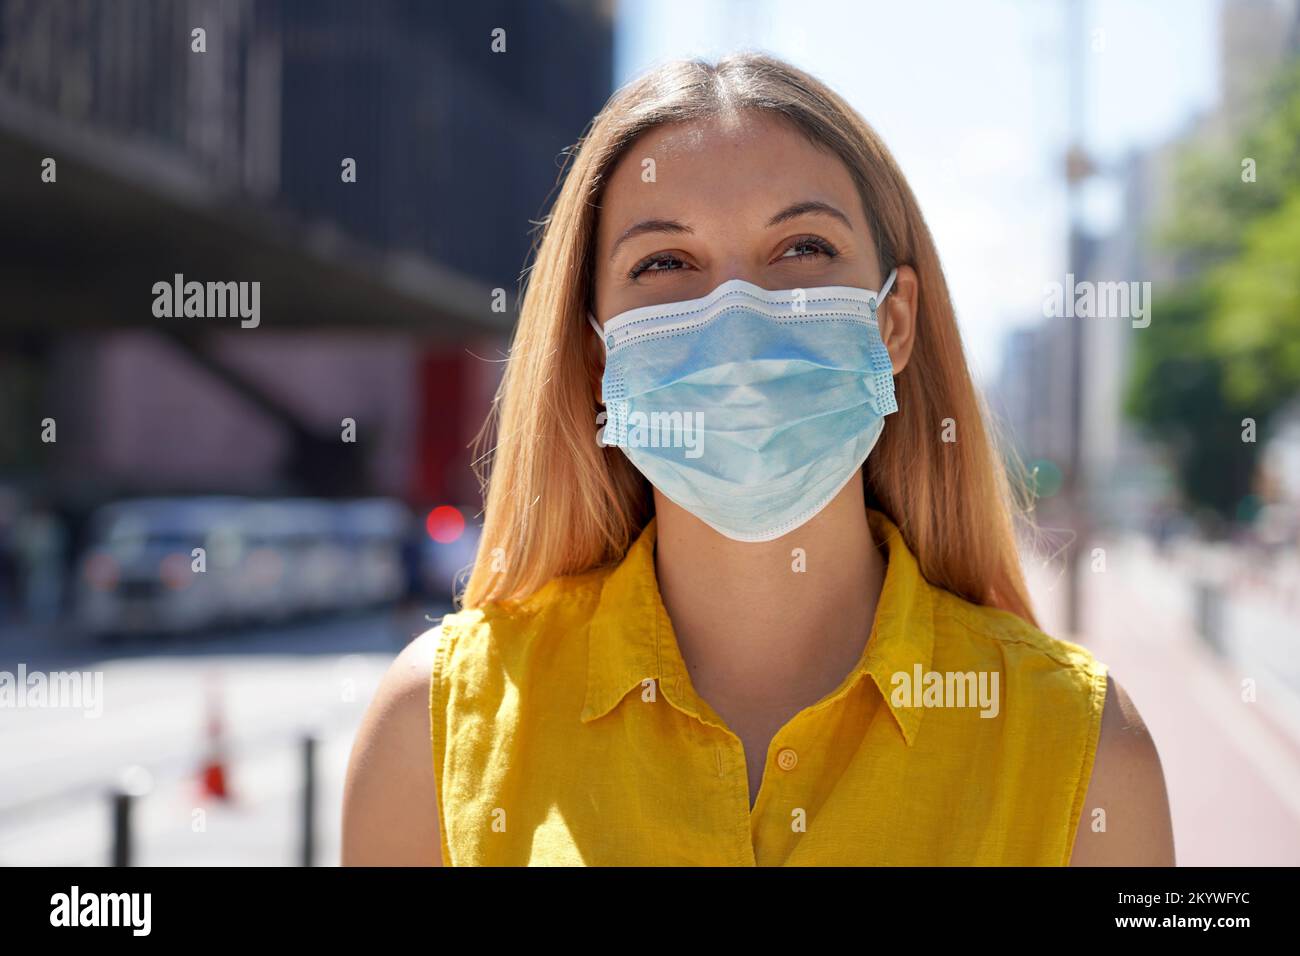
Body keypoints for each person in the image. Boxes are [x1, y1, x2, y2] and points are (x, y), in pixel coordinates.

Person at [342, 53, 1174, 866]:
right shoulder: (436, 729)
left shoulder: (1082, 749)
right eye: (664, 263)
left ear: (894, 324)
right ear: (599, 359)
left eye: (803, 248)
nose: (736, 320)